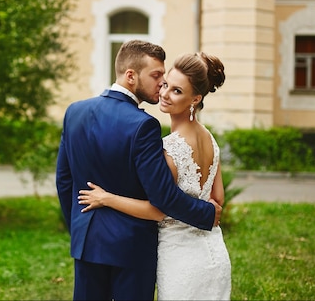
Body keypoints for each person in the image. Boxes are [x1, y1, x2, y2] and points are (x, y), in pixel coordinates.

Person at [56, 41, 222, 301]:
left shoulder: (75, 112)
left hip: (86, 243)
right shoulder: (143, 125)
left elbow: (64, 181)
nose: (161, 85)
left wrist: (78, 228)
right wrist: (207, 213)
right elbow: (163, 197)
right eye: (157, 76)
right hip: (131, 249)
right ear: (131, 76)